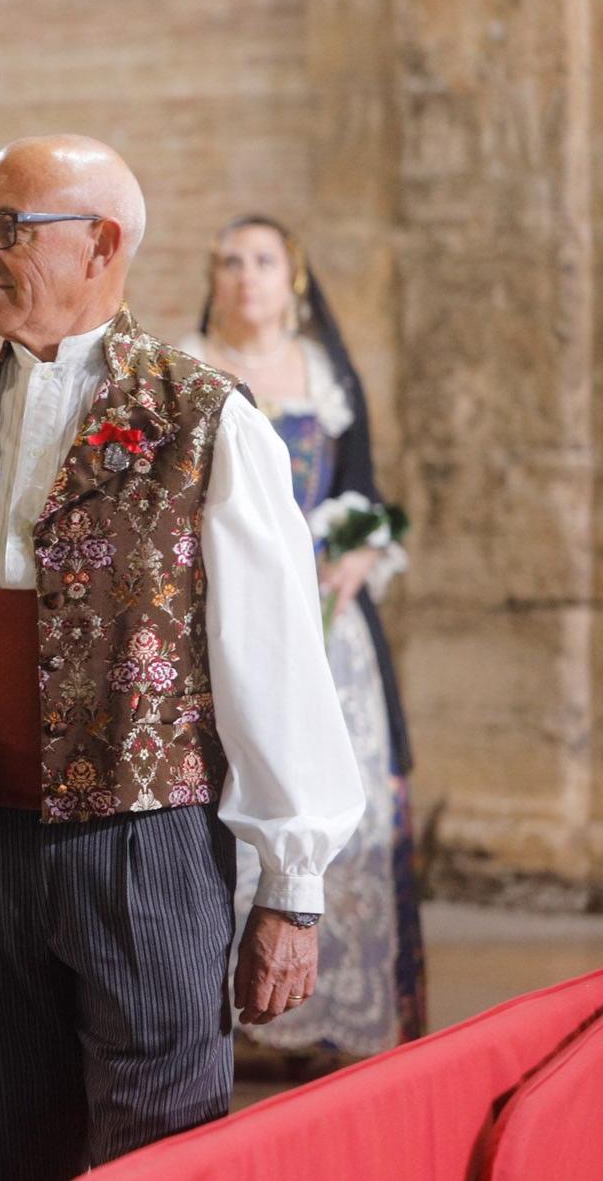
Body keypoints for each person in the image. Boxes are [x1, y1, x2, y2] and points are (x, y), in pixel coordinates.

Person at [0, 136, 365, 1179]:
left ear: (102, 244)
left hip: (147, 848)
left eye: (7, 229)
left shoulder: (204, 418)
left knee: (156, 1146)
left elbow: (270, 658)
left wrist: (290, 885)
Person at [185, 215, 422, 1072]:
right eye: (229, 259)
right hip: (226, 626)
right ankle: (231, 1015)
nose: (244, 275)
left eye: (261, 260)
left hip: (330, 629)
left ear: (295, 277)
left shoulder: (326, 376)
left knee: (337, 799)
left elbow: (363, 494)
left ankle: (327, 1016)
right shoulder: (186, 370)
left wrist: (358, 555)